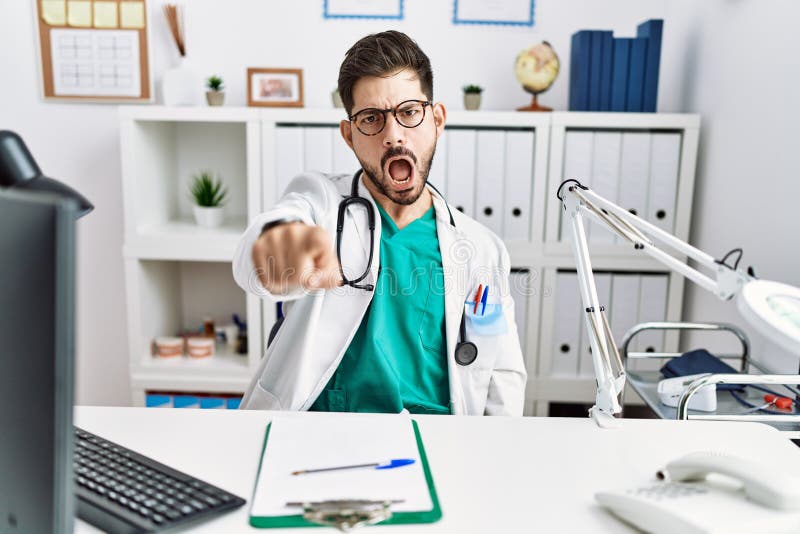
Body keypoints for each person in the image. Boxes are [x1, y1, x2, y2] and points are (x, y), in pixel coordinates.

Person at [233, 30, 526, 415]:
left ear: (436, 119)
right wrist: (281, 249)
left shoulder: (483, 249)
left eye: (408, 112)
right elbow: (262, 254)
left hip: (436, 439)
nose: (393, 135)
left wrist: (489, 459)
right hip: (320, 435)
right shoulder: (321, 202)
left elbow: (501, 373)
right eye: (371, 119)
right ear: (349, 135)